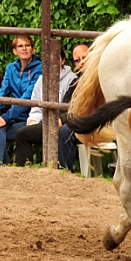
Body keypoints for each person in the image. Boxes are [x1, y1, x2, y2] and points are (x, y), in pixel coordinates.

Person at [15, 47, 77, 167]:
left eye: (56, 59)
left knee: (62, 132)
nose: (52, 63)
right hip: (45, 122)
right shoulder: (41, 79)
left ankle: (63, 169)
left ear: (63, 61)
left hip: (62, 122)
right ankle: (25, 171)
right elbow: (36, 104)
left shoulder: (72, 80)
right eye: (48, 60)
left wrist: (61, 119)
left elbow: (71, 106)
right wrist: (33, 119)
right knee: (22, 134)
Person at [0, 35, 42, 166]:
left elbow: (28, 98)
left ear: (33, 50)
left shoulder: (40, 68)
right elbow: (3, 93)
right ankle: (0, 166)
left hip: (31, 117)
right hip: (14, 117)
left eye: (27, 45)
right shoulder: (10, 68)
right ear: (14, 51)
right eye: (20, 46)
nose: (24, 49)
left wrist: (5, 118)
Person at [57, 44, 88, 172]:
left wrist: (64, 120)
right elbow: (65, 105)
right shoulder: (75, 82)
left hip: (93, 121)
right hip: (75, 120)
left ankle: (65, 171)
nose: (81, 62)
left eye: (84, 57)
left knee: (66, 130)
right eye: (77, 60)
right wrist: (61, 118)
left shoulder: (100, 77)